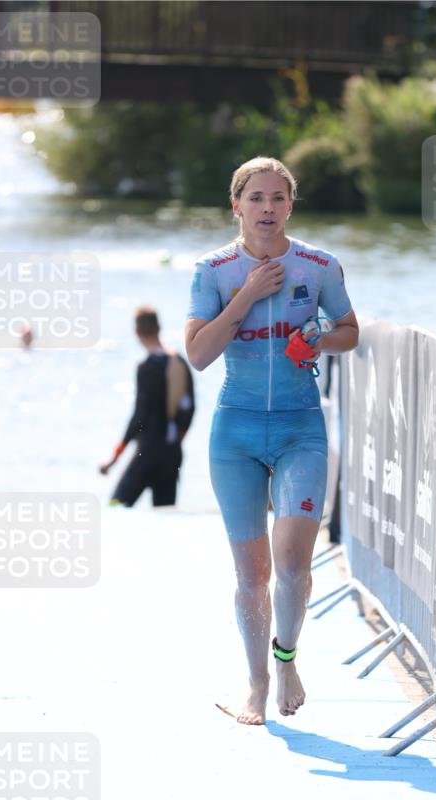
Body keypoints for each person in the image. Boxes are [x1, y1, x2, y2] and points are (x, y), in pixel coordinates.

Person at [185, 156, 358, 725]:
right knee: (251, 574)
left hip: (299, 426)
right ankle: (257, 683)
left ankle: (286, 660)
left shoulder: (319, 265)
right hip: (234, 431)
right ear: (235, 205)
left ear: (290, 204)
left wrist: (318, 341)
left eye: (277, 198)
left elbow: (350, 332)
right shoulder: (212, 270)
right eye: (254, 198)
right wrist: (248, 295)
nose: (266, 209)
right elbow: (199, 355)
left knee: (290, 560)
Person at [100, 307, 195, 507]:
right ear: (159, 327)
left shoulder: (147, 367)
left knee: (114, 507)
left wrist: (114, 458)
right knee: (164, 515)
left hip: (148, 452)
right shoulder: (180, 362)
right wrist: (176, 439)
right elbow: (190, 409)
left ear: (137, 332)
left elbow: (139, 417)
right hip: (172, 454)